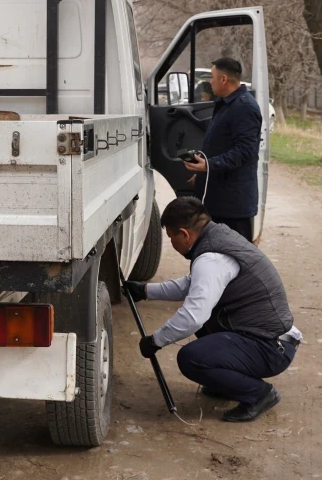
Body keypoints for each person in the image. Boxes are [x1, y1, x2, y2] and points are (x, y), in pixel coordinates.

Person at [126, 197, 301, 422]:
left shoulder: (211, 259)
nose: (172, 243)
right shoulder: (219, 238)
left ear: (184, 234)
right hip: (269, 338)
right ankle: (228, 383)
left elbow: (193, 317)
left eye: (171, 237)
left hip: (271, 348)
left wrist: (155, 341)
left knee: (191, 358)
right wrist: (145, 291)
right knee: (207, 330)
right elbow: (193, 284)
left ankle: (259, 394)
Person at [183, 57, 262, 242]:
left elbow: (244, 151)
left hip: (233, 206)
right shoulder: (227, 104)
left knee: (233, 254)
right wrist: (203, 172)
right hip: (219, 199)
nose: (210, 82)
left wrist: (209, 166)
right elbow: (222, 145)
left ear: (224, 79)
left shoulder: (244, 107)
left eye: (212, 77)